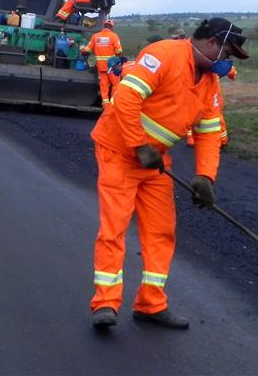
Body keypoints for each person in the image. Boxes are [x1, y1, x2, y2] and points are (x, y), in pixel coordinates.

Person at [89, 17, 249, 330]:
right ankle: (105, 304)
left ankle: (151, 304)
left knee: (162, 231)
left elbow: (209, 134)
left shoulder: (209, 85)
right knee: (115, 228)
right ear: (212, 42)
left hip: (155, 161)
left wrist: (205, 177)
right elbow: (126, 98)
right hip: (119, 151)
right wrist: (138, 146)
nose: (227, 60)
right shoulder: (164, 54)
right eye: (227, 52)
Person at [82, 19, 123, 105]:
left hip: (101, 66)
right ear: (111, 27)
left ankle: (105, 103)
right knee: (116, 84)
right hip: (112, 66)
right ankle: (113, 103)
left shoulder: (95, 36)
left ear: (104, 26)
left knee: (104, 85)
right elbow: (119, 51)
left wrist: (82, 49)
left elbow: (87, 50)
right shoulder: (114, 36)